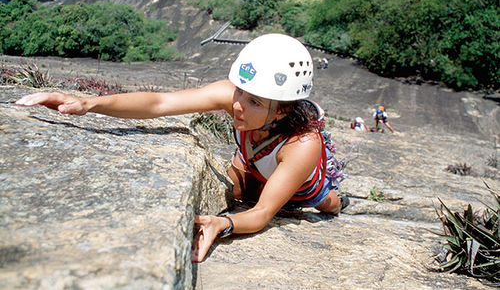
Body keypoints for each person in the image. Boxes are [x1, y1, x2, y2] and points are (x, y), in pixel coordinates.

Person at [15, 33, 348, 263]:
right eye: (240, 93)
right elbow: (160, 102)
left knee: (326, 203)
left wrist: (224, 225)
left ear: (285, 109)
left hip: (299, 181)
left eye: (254, 101)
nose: (238, 107)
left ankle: (338, 199)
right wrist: (88, 103)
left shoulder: (303, 145)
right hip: (251, 160)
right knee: (238, 188)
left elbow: (263, 214)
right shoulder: (236, 97)